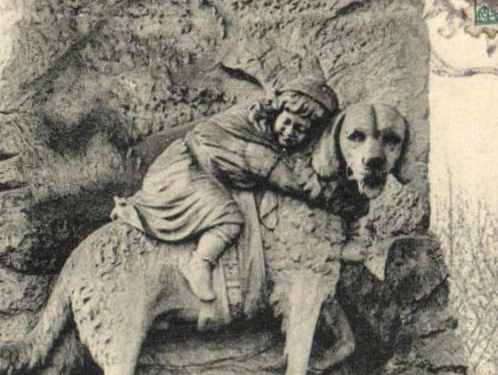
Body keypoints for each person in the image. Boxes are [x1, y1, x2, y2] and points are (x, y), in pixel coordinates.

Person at [112, 78, 338, 324]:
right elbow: (285, 181)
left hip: (203, 173)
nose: (290, 132)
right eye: (287, 122)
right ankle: (199, 263)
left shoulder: (264, 133)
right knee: (229, 218)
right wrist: (324, 195)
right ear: (275, 113)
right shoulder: (253, 136)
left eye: (300, 129)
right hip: (184, 171)